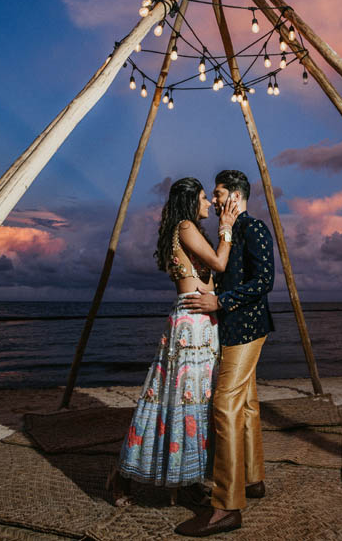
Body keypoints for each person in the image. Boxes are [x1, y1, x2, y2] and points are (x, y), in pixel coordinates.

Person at [107, 177, 241, 506]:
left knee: (197, 403)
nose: (209, 203)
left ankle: (189, 477)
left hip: (202, 321)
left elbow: (209, 278)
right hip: (191, 322)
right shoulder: (184, 227)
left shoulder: (187, 230)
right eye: (203, 198)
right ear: (189, 201)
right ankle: (122, 475)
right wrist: (227, 227)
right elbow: (219, 264)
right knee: (173, 401)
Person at [175, 170, 275, 537]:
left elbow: (265, 281)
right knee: (246, 403)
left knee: (224, 405)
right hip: (232, 329)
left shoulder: (254, 228)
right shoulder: (230, 231)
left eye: (218, 194)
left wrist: (221, 301)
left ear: (235, 195)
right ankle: (252, 479)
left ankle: (226, 506)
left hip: (248, 329)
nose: (214, 201)